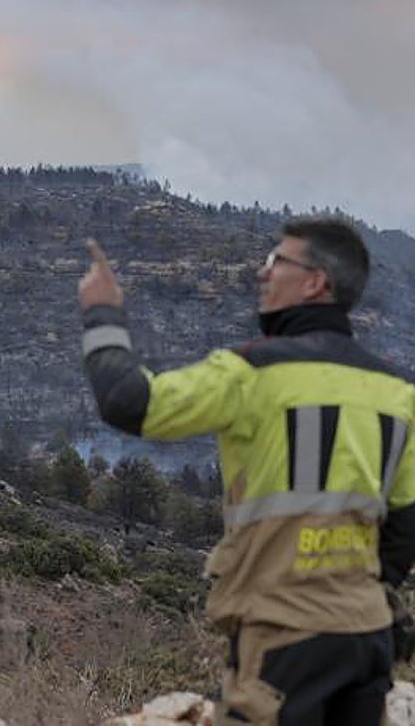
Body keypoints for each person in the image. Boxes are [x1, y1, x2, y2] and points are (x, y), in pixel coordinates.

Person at [78, 219, 415, 724]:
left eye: (278, 261)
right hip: (366, 636)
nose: (262, 272)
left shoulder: (252, 373)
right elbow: (405, 529)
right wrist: (350, 594)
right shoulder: (399, 393)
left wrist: (103, 313)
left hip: (283, 633)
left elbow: (127, 401)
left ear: (316, 282)